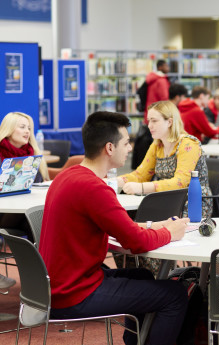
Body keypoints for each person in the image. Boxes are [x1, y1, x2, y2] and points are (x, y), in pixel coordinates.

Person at [39, 111, 190, 345]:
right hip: (74, 294)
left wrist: (153, 225)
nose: (130, 148)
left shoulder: (68, 176)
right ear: (110, 148)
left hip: (55, 285)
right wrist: (169, 232)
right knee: (175, 296)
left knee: (143, 275)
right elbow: (136, 243)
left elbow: (110, 226)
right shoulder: (95, 188)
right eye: (126, 143)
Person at [119, 100, 212, 218]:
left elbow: (180, 182)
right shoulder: (157, 144)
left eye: (154, 121)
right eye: (149, 121)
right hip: (167, 199)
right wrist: (112, 182)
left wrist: (141, 188)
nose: (149, 126)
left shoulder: (188, 144)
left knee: (139, 219)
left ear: (169, 122)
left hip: (192, 203)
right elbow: (140, 175)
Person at [0, 112, 50, 289]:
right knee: (36, 222)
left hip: (23, 211)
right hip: (3, 213)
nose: (27, 131)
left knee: (40, 221)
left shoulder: (32, 155)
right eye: (22, 127)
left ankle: (42, 278)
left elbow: (37, 184)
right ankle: (40, 280)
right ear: (9, 129)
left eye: (29, 128)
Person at [144, 59, 171, 124]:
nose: (168, 68)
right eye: (166, 66)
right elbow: (164, 98)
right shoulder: (161, 80)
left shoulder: (152, 78)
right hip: (159, 112)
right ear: (160, 67)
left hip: (150, 109)